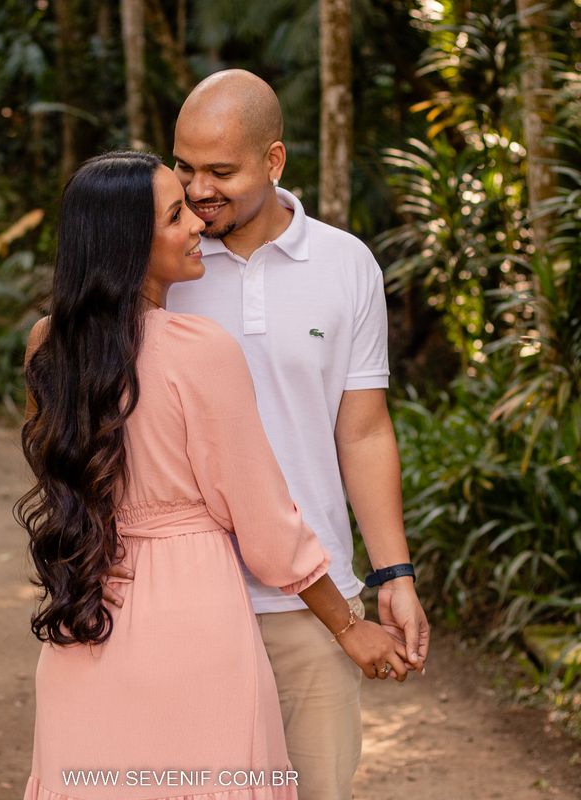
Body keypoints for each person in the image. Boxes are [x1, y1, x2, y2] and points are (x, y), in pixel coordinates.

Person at [16, 151, 408, 800]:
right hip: (193, 618)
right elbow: (266, 524)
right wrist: (347, 625)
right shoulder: (199, 350)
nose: (197, 224)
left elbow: (55, 472)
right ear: (131, 244)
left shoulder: (47, 346)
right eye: (175, 216)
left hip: (85, 613)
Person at [166, 70, 431, 800]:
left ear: (274, 161)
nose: (197, 190)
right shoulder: (164, 261)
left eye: (221, 171)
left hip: (316, 607)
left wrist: (394, 576)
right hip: (188, 598)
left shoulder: (346, 264)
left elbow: (364, 432)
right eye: (185, 168)